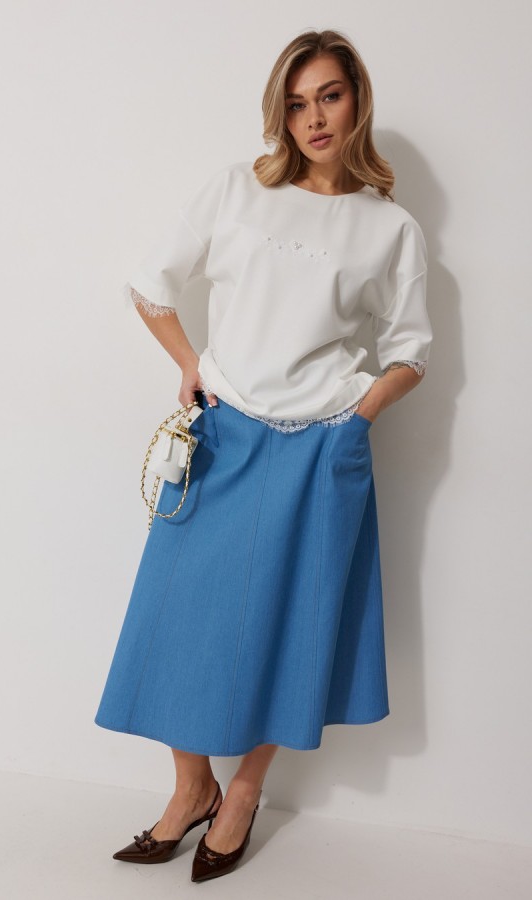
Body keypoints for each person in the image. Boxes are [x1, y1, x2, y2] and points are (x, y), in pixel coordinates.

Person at [94, 28, 432, 882]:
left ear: (357, 100)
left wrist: (359, 414)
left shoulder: (390, 229)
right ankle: (191, 788)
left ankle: (243, 792)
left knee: (296, 623)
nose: (314, 118)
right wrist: (188, 364)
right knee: (176, 612)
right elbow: (150, 285)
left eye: (329, 96)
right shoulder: (237, 190)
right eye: (297, 101)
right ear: (279, 111)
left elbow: (411, 351)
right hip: (225, 432)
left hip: (322, 446)